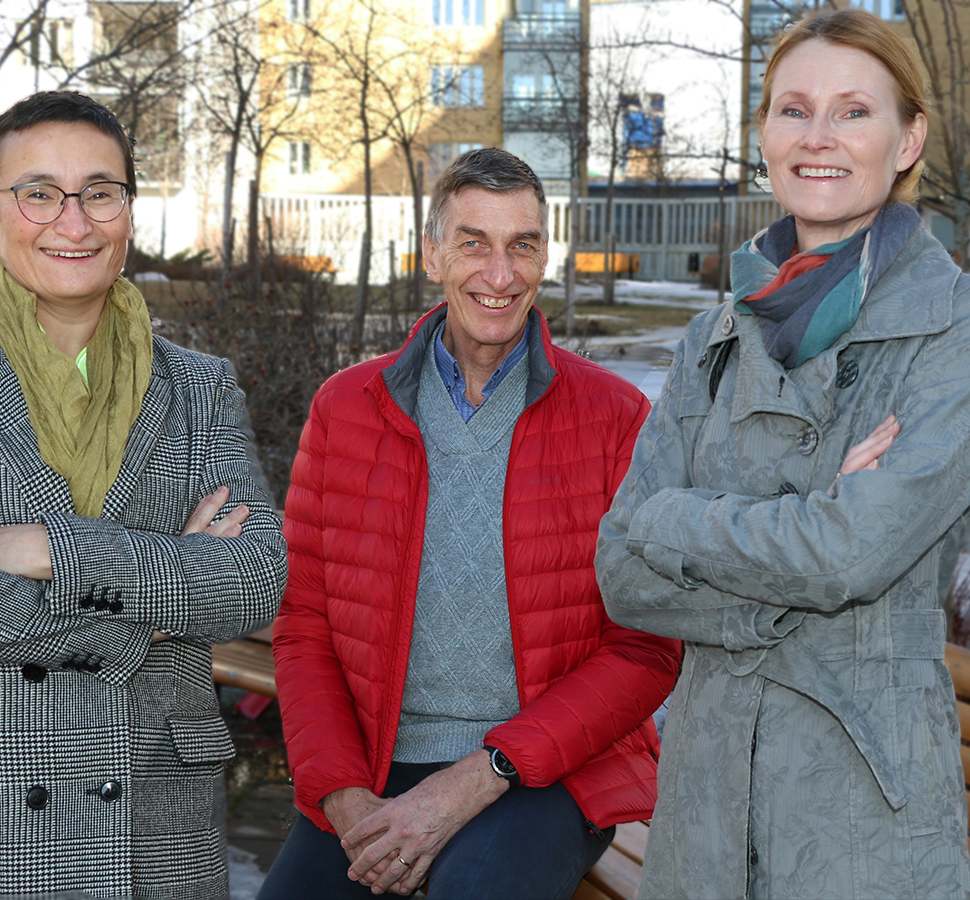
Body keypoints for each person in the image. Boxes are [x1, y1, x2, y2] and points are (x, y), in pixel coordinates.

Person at [595, 10, 970, 899]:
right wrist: (808, 529)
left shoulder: (964, 322)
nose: (818, 138)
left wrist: (675, 520)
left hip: (861, 817)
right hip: (704, 814)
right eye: (794, 110)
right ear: (763, 134)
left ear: (909, 138)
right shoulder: (714, 333)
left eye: (853, 112)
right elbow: (620, 571)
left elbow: (851, 556)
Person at [0, 91, 288, 899]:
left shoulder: (199, 388)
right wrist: (151, 610)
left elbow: (254, 577)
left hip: (149, 820)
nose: (73, 222)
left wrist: (52, 551)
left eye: (100, 192)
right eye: (38, 192)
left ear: (127, 208)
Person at [260, 148, 682, 899]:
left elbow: (646, 648)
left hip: (547, 772)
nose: (500, 273)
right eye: (473, 243)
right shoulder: (346, 408)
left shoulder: (615, 418)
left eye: (522, 245)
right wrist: (344, 796)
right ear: (430, 255)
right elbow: (306, 626)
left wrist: (481, 775)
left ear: (545, 256)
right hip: (374, 759)